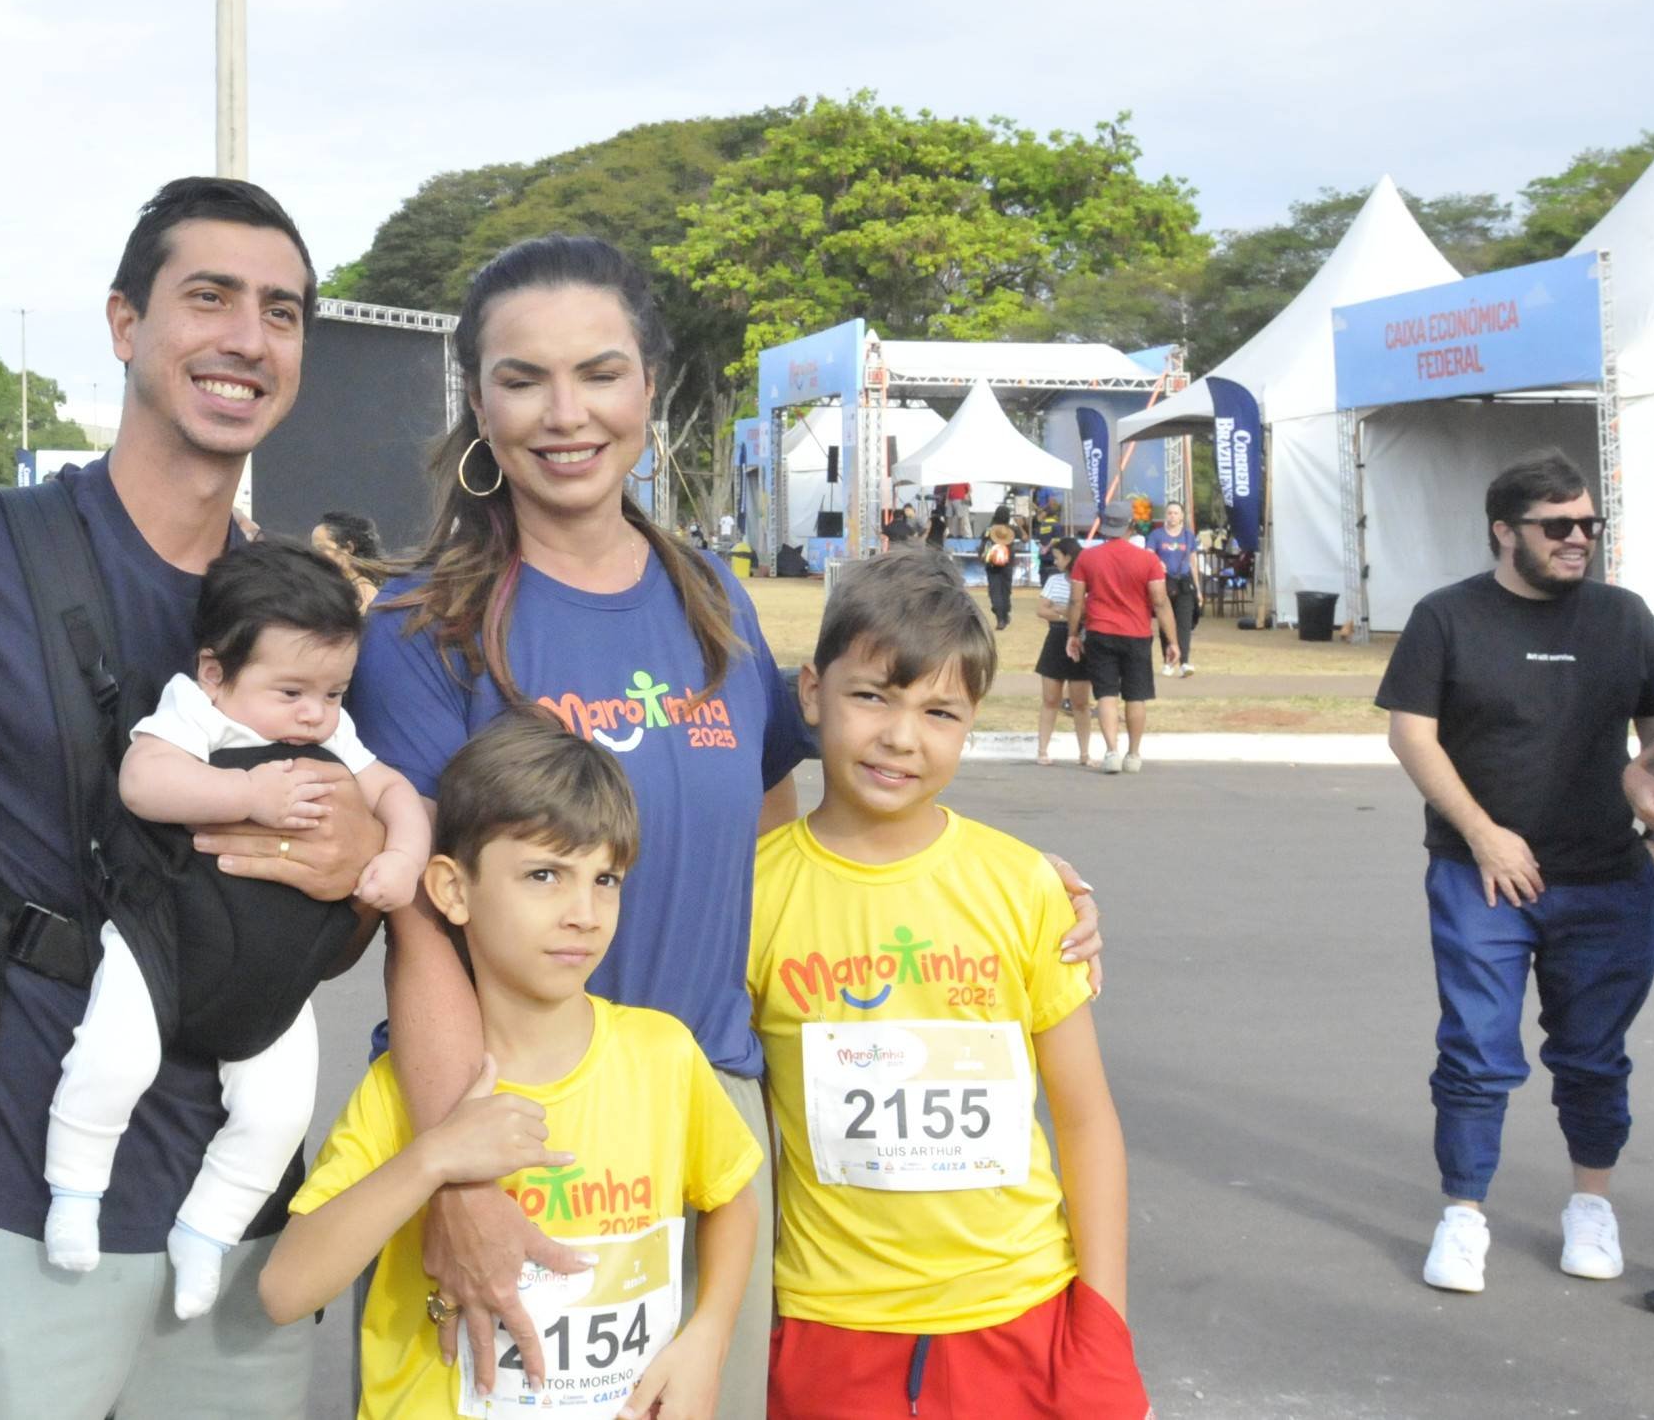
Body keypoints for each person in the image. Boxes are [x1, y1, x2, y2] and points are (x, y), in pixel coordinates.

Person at [347, 237, 1103, 1420]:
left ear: (649, 384)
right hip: (504, 1121)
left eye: (599, 372)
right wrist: (460, 1174)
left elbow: (783, 846)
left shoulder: (710, 595)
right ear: (477, 401)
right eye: (520, 378)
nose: (565, 413)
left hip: (709, 1118)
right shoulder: (417, 627)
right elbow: (415, 921)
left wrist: (1005, 883)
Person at [0, 177, 368, 1419]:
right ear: (124, 321)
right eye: (209, 297)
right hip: (13, 1170)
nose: (248, 336)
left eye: (283, 311)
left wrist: (353, 855)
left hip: (236, 1193)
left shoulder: (306, 612)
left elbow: (350, 896)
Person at [261, 709, 763, 1416]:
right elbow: (286, 1289)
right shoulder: (406, 1090)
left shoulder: (663, 1055)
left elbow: (730, 1197)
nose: (583, 912)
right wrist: (432, 1159)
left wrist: (706, 1334)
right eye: (544, 874)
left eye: (605, 878)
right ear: (451, 889)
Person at [753, 549, 1148, 1419]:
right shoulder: (752, 894)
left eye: (939, 711)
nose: (901, 737)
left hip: (1020, 1313)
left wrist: (1103, 1327)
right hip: (827, 1327)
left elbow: (1084, 1118)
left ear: (969, 722)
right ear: (812, 693)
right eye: (871, 697)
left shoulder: (1022, 885)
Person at [44, 540, 433, 1316]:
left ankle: (208, 1229)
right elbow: (143, 779)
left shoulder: (331, 732)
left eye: (333, 690)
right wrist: (246, 793)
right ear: (216, 670)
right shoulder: (196, 711)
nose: (314, 712)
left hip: (275, 971)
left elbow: (393, 790)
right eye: (290, 689)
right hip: (165, 945)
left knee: (282, 1111)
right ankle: (74, 1189)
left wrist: (401, 855)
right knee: (112, 1058)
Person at [1379, 448, 1654, 1296]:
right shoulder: (1446, 616)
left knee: (1593, 1053)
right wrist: (1483, 833)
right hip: (1481, 876)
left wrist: (1648, 779)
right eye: (1557, 526)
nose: (1579, 538)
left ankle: (1590, 1207)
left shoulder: (1624, 616)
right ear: (1504, 531)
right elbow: (1411, 734)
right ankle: (1462, 1216)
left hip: (1607, 876)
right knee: (1473, 1051)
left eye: (1588, 524)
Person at [1064, 506, 1179, 775]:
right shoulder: (1148, 560)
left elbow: (1075, 600)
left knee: (1106, 694)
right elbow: (1160, 603)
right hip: (1137, 634)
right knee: (1136, 696)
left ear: (1104, 527)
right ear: (1131, 525)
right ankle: (1134, 753)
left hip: (1100, 631)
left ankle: (1111, 750)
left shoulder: (1087, 558)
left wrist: (1072, 634)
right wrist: (1172, 641)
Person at [1032, 536, 1096, 770]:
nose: (1055, 561)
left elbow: (1086, 612)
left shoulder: (1088, 581)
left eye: (1058, 557)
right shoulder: (1054, 580)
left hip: (1080, 639)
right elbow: (1041, 609)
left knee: (1081, 702)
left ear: (1068, 558)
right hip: (1056, 638)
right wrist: (1065, 613)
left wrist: (1061, 610)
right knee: (1050, 699)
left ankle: (1085, 753)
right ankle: (1042, 749)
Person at [1146, 502, 1199, 677]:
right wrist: (1157, 562)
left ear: (1182, 516)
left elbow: (1193, 562)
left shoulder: (1188, 536)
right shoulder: (1156, 535)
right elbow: (1148, 554)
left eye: (1176, 513)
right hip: (1164, 582)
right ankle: (1168, 661)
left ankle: (1185, 662)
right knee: (1166, 622)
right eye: (1169, 513)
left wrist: (1198, 589)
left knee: (1184, 623)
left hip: (1184, 582)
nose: (1172, 516)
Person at [310, 509, 392, 610]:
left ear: (348, 548)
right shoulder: (339, 587)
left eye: (321, 548)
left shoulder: (364, 594)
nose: (315, 555)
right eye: (313, 549)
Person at [981, 503, 1020, 631]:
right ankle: (1004, 613)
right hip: (1008, 564)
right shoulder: (1011, 529)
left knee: (995, 590)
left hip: (992, 563)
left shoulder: (989, 529)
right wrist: (1020, 525)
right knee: (1006, 590)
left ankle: (1000, 617)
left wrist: (981, 556)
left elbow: (983, 544)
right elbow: (1025, 538)